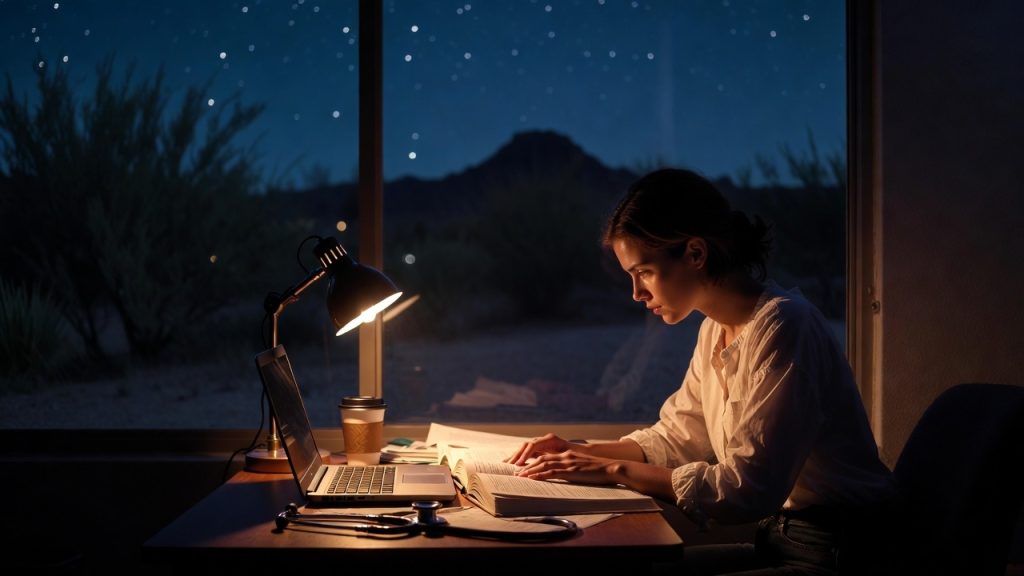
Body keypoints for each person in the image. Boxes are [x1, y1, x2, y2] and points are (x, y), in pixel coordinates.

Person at [505, 168, 901, 575]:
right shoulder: (715, 330)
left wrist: (613, 471)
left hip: (843, 550)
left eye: (643, 272)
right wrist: (577, 451)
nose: (636, 293)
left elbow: (748, 489)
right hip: (784, 538)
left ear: (696, 253)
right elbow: (678, 437)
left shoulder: (787, 326)